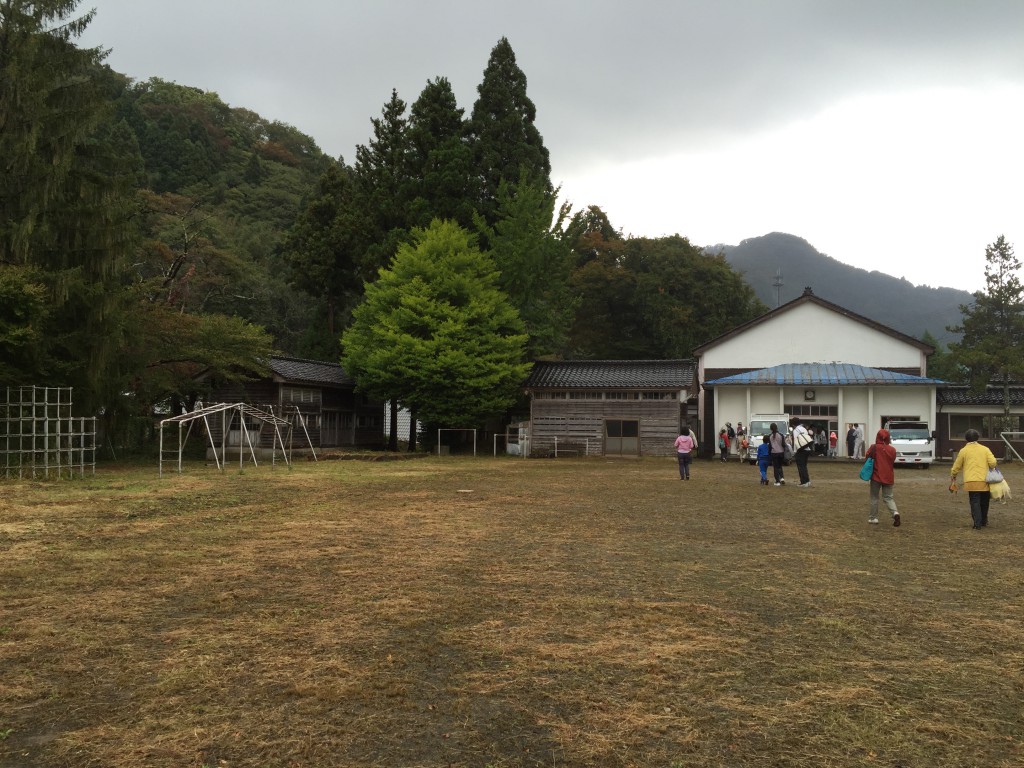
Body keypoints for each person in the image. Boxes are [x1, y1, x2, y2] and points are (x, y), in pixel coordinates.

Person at [950, 428, 998, 529]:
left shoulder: (963, 451)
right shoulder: (985, 449)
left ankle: (977, 523)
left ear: (966, 439)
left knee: (974, 501)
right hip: (985, 480)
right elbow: (993, 462)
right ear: (978, 438)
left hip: (971, 480)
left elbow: (957, 465)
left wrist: (953, 475)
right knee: (985, 501)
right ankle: (984, 520)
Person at [865, 428, 899, 526]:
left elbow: (867, 456)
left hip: (876, 476)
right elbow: (892, 460)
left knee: (874, 497)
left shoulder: (874, 447)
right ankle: (895, 513)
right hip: (888, 476)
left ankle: (873, 518)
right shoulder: (892, 450)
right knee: (888, 497)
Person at [789, 417, 813, 487]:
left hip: (800, 450)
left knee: (801, 467)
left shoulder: (796, 430)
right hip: (807, 448)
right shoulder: (804, 428)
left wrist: (794, 452)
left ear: (793, 424)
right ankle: (807, 481)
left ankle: (803, 482)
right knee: (804, 466)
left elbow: (796, 441)